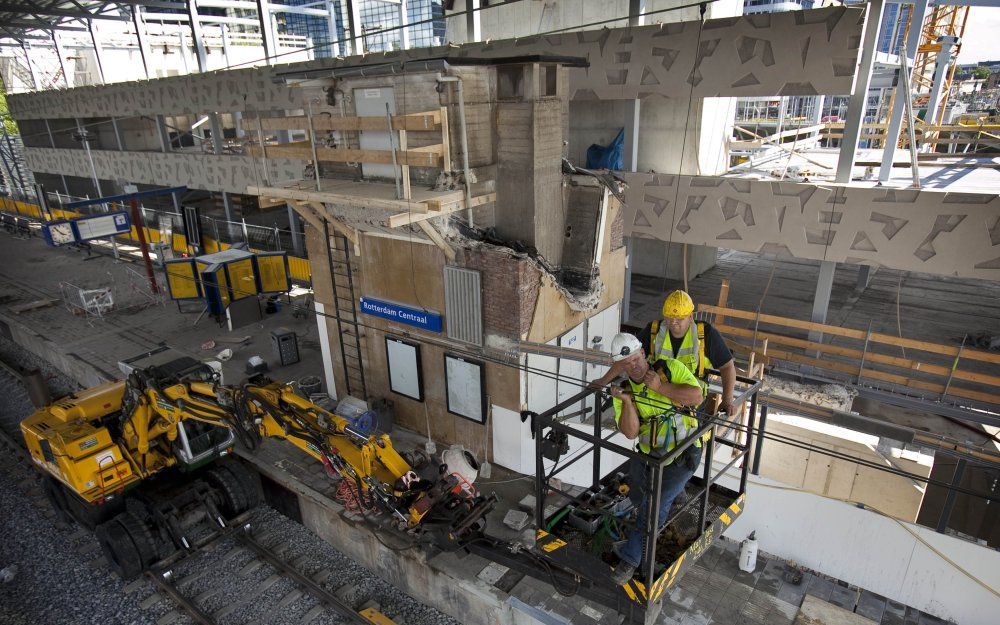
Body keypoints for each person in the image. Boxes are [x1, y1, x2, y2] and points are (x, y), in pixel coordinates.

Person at [605, 333, 704, 585]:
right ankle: (676, 493)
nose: (634, 365)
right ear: (621, 366)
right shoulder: (624, 390)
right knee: (638, 495)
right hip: (651, 454)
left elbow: (696, 397)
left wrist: (661, 388)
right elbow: (630, 433)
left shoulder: (670, 369)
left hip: (683, 452)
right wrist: (627, 402)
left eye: (636, 358)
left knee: (653, 507)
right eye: (626, 363)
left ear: (644, 355)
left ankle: (630, 560)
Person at [593, 290, 737, 416]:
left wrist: (727, 400)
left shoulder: (706, 335)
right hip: (658, 398)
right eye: (669, 317)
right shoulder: (654, 331)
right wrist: (602, 382)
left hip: (691, 400)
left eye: (679, 318)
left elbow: (727, 367)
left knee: (689, 437)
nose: (673, 322)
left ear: (691, 316)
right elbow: (628, 357)